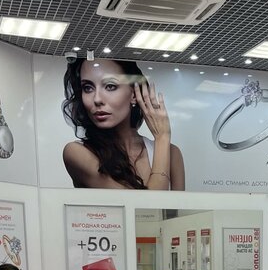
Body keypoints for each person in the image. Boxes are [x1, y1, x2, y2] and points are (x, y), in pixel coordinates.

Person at [62, 57, 185, 190]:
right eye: (87, 88)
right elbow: (147, 203)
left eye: (110, 86)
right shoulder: (76, 153)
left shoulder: (172, 153)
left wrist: (162, 140)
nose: (97, 99)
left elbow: (176, 205)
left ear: (134, 94)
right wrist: (162, 137)